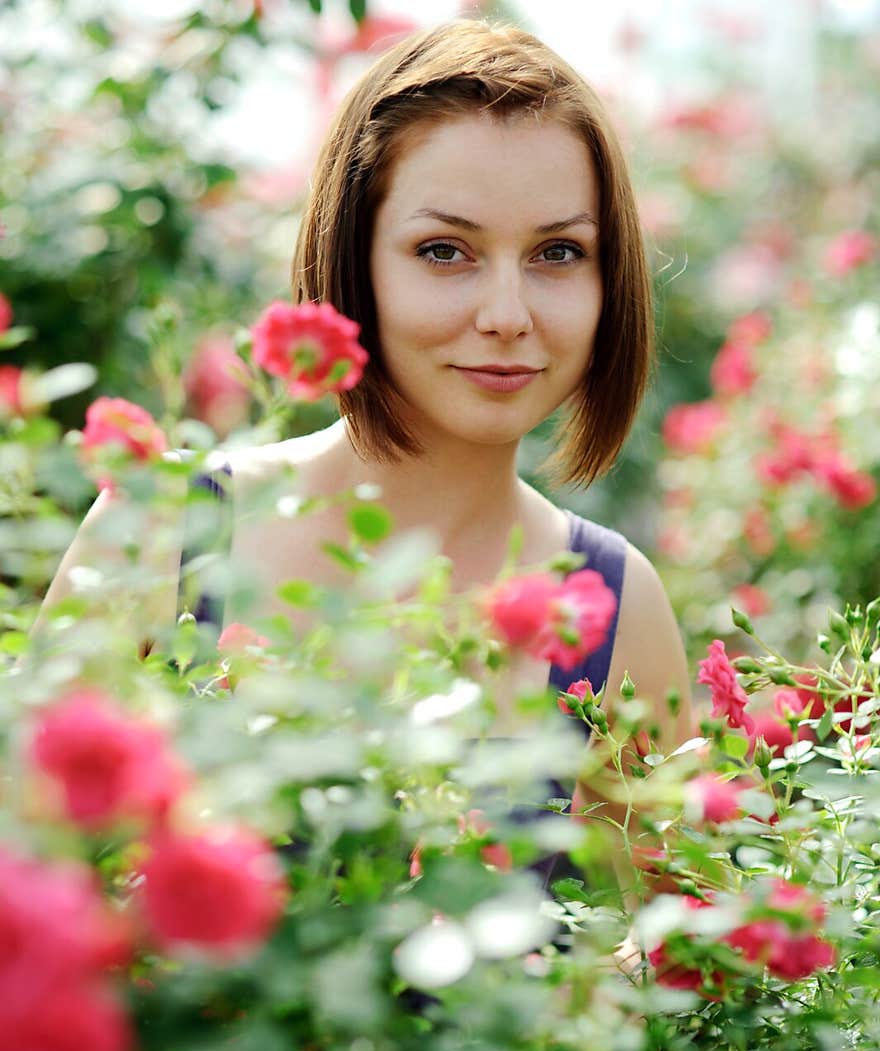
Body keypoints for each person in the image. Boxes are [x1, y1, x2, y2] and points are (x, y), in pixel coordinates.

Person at [32, 18, 693, 901]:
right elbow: (28, 890)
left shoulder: (614, 607)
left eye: (558, 253)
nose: (508, 311)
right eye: (444, 251)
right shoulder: (165, 528)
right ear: (354, 260)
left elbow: (675, 977)